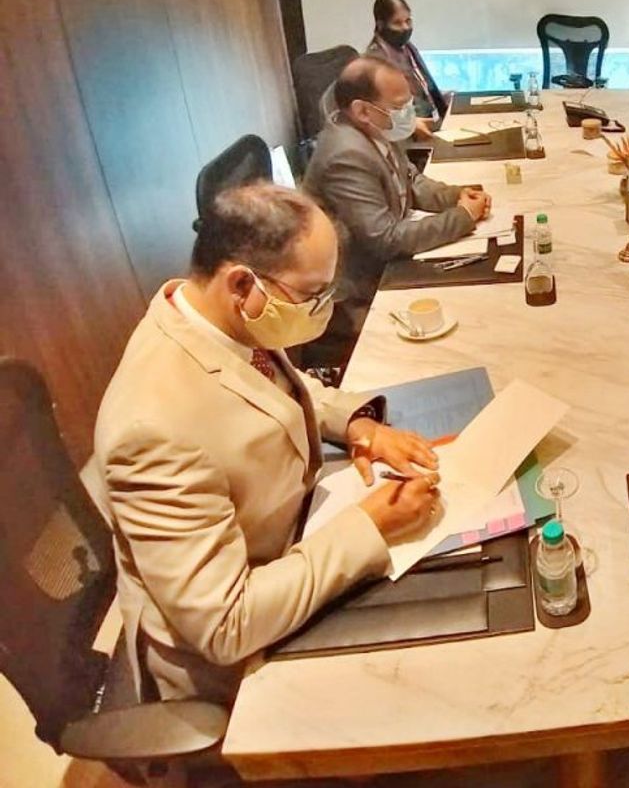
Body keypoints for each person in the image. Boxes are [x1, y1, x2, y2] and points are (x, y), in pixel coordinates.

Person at [87, 183, 442, 702]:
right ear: (240, 283)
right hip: (234, 661)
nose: (322, 309)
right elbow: (225, 625)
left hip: (291, 539)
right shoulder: (152, 430)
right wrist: (370, 525)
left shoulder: (207, 317)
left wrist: (357, 424)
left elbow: (264, 386)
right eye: (311, 294)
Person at [303, 57, 490, 346]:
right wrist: (463, 216)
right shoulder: (346, 155)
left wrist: (457, 196)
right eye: (400, 106)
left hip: (390, 262)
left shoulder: (373, 127)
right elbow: (386, 239)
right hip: (362, 291)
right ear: (363, 110)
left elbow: (411, 180)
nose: (409, 114)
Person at [365, 0, 449, 141]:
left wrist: (444, 98)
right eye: (397, 23)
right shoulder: (375, 60)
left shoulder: (406, 48)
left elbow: (419, 87)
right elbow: (380, 112)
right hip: (408, 137)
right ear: (381, 24)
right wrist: (412, 124)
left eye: (408, 21)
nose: (405, 27)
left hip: (433, 124)